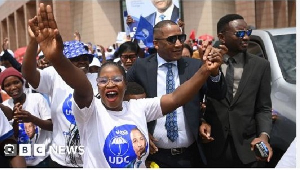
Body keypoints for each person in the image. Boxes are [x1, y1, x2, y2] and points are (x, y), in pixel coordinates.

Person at [27, 3, 225, 168]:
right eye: (103, 80)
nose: (110, 83)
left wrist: (205, 71)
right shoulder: (90, 112)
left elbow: (176, 98)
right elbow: (83, 89)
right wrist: (58, 59)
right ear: (97, 85)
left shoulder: (139, 107)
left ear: (126, 83)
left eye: (117, 79)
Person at [126, 20, 227, 168]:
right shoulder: (140, 67)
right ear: (156, 44)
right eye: (172, 40)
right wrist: (138, 130)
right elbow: (123, 104)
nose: (179, 44)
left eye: (181, 38)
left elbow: (218, 94)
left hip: (190, 156)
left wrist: (214, 73)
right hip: (153, 157)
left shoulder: (194, 66)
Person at [22, 20, 98, 168]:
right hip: (61, 159)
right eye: (75, 59)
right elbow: (29, 74)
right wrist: (33, 42)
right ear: (65, 61)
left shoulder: (98, 80)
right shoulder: (54, 76)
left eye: (85, 58)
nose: (82, 62)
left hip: (93, 159)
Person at [202, 14, 273, 168]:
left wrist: (263, 136)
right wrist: (202, 121)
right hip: (215, 147)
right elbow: (198, 101)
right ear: (222, 37)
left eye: (248, 32)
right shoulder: (207, 64)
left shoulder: (261, 66)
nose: (246, 37)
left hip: (248, 148)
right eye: (240, 33)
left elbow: (264, 108)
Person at [0, 67, 52, 167]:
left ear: (23, 82)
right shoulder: (6, 107)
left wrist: (32, 119)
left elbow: (51, 126)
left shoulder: (37, 99)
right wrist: (15, 119)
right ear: (3, 89)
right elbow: (11, 137)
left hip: (43, 159)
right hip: (21, 162)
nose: (13, 87)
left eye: (16, 82)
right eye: (7, 85)